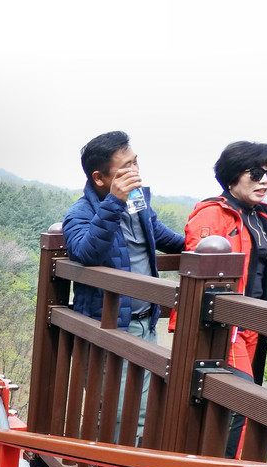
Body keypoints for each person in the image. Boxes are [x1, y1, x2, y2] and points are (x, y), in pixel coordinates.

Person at [62, 131, 184, 445]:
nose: (136, 172)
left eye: (136, 162)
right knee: (116, 408)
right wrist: (114, 202)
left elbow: (160, 237)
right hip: (110, 327)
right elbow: (87, 252)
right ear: (99, 178)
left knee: (144, 406)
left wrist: (201, 249)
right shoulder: (80, 215)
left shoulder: (138, 203)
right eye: (126, 167)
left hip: (145, 321)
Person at [184, 142, 267, 458]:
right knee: (243, 399)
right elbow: (200, 262)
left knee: (238, 400)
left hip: (255, 323)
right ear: (231, 176)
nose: (265, 181)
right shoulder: (214, 213)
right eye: (256, 173)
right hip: (225, 323)